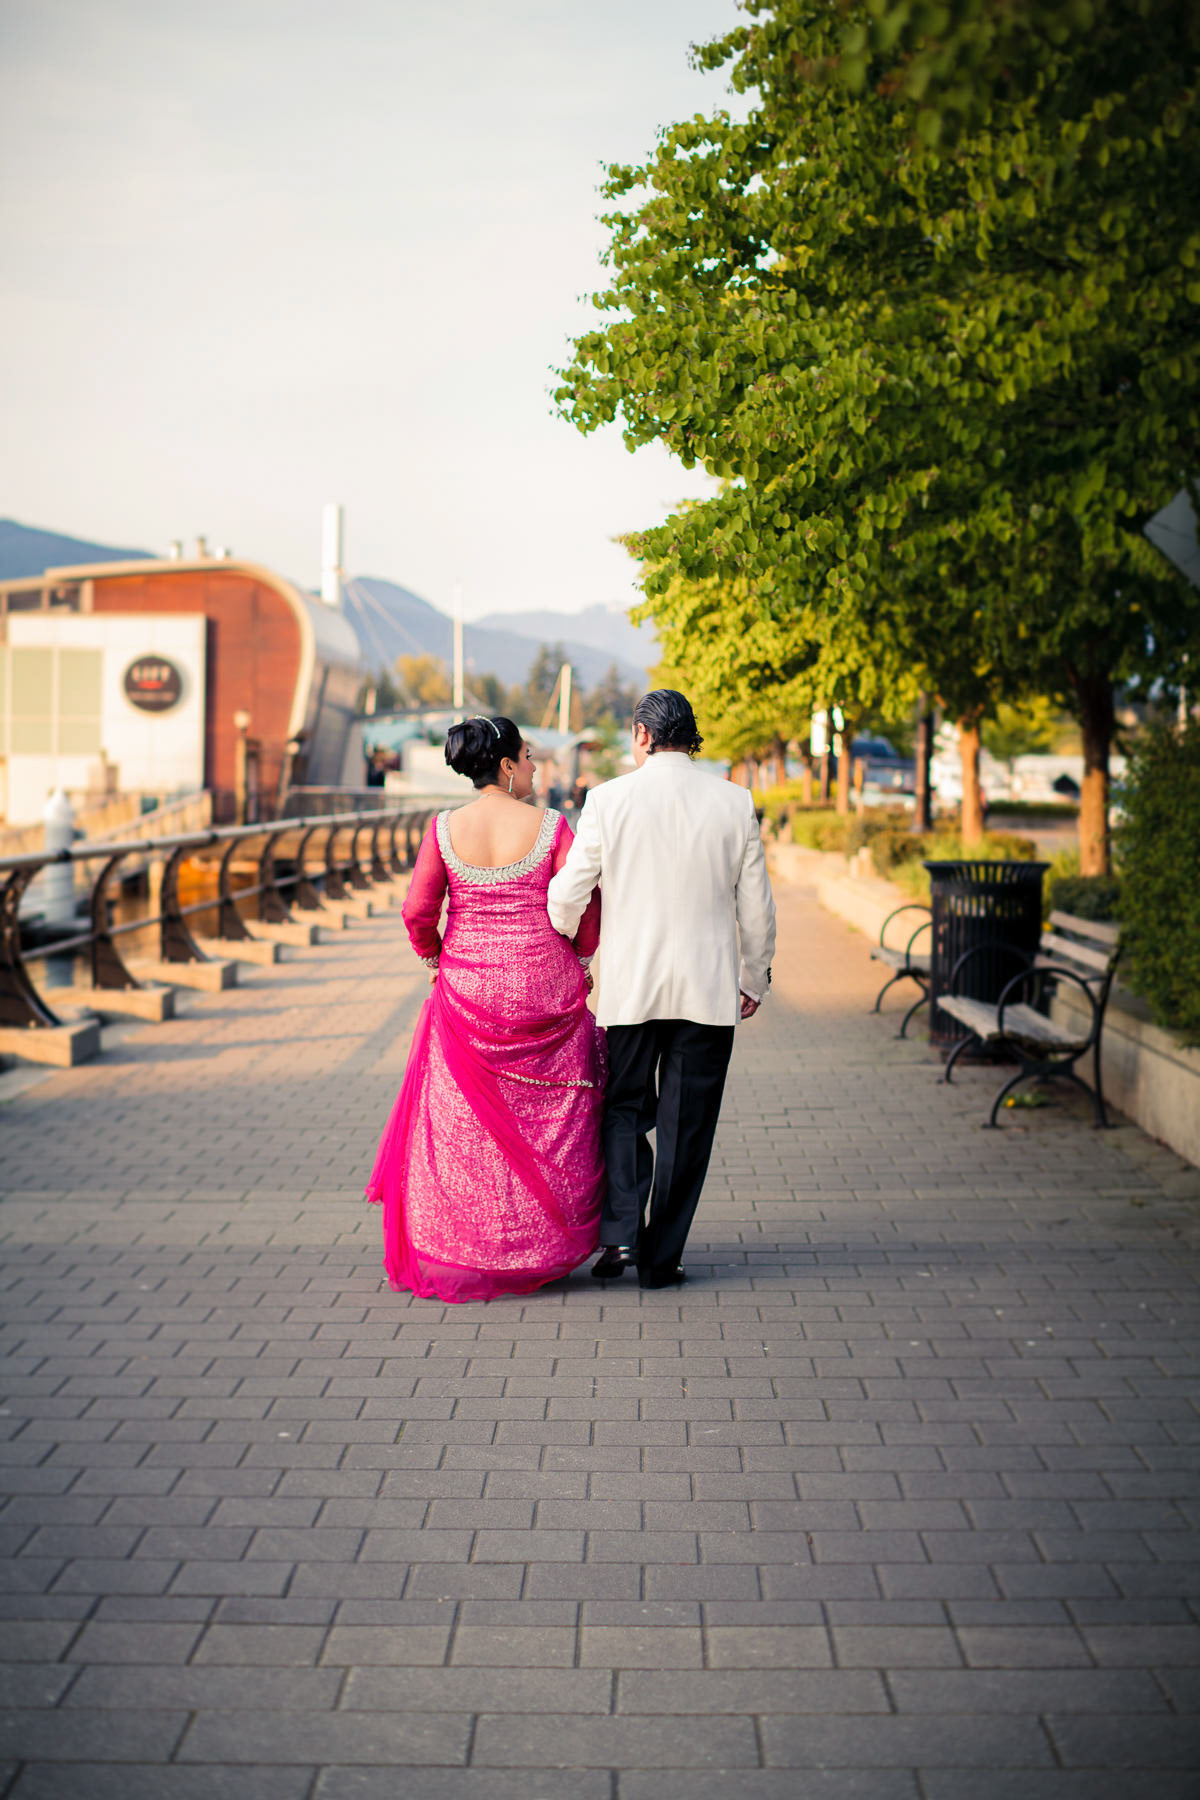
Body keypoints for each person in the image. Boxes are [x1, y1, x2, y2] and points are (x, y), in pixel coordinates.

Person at [366, 716, 604, 1303]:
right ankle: (541, 1245)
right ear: (504, 764)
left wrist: (433, 954)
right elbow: (587, 906)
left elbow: (418, 909)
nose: (531, 766)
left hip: (468, 990)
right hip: (542, 988)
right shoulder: (551, 827)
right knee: (549, 1120)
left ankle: (474, 1246)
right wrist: (580, 954)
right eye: (525, 756)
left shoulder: (445, 829)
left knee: (467, 1126)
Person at [547, 689, 776, 1288]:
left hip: (630, 988)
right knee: (686, 1126)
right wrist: (754, 978)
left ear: (642, 736)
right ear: (690, 737)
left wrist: (573, 948)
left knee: (622, 1110)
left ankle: (620, 1233)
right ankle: (662, 1258)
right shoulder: (734, 802)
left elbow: (569, 893)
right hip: (707, 991)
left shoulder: (607, 799)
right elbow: (757, 908)